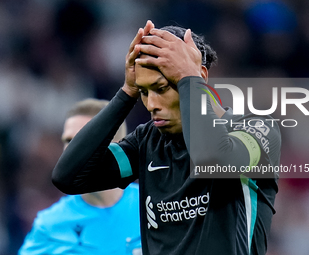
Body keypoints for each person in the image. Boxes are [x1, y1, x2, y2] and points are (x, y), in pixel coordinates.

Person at [52, 20, 281, 255]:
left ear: (199, 76)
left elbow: (212, 160)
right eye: (144, 92)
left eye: (161, 88)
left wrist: (189, 79)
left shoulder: (255, 129)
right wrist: (126, 93)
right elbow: (69, 177)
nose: (152, 105)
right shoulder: (147, 142)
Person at [19, 99, 141, 255]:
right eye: (68, 141)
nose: (72, 152)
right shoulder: (50, 226)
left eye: (83, 140)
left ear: (117, 146)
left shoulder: (153, 205)